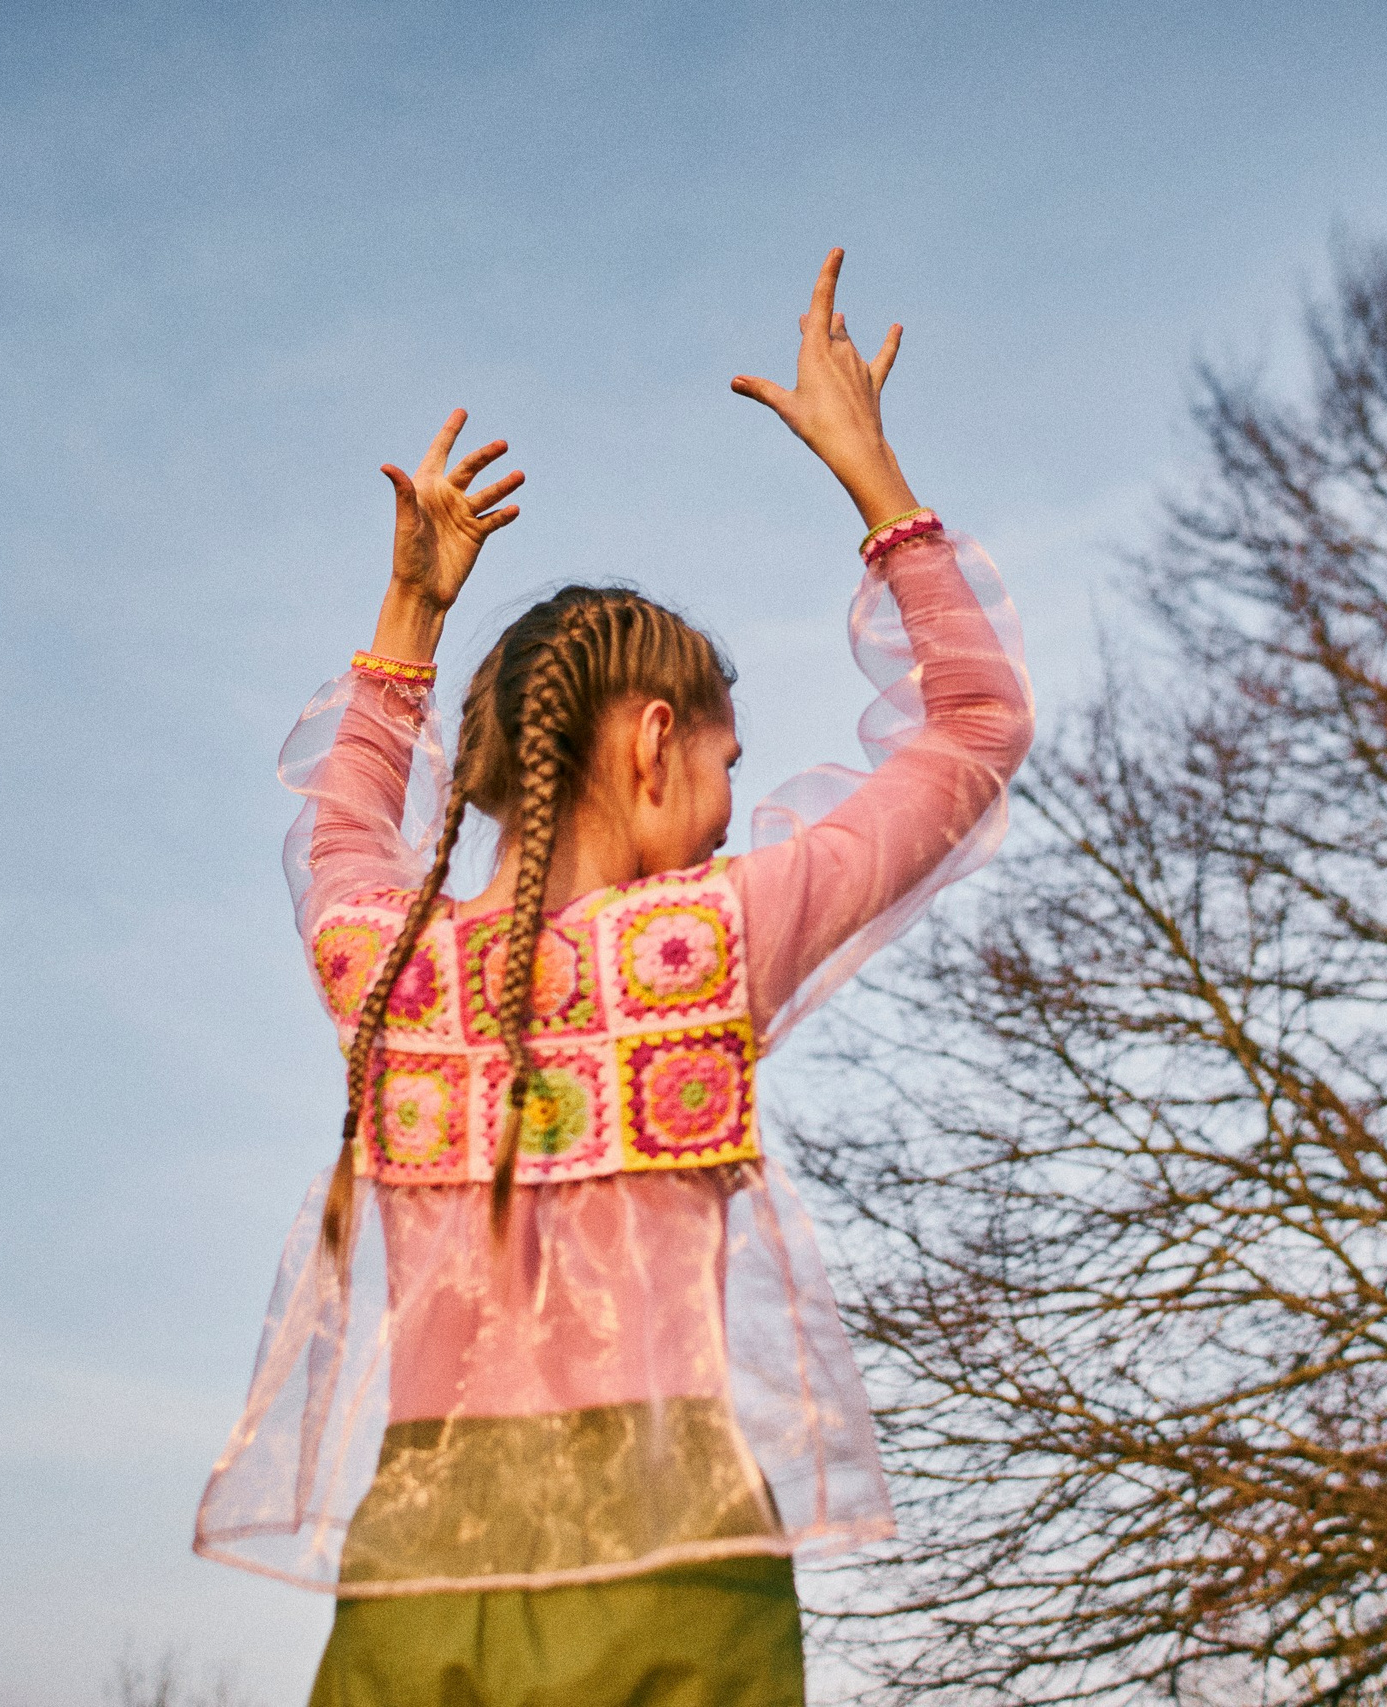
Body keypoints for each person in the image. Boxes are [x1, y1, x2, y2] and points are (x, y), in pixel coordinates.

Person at [194, 250, 1033, 1706]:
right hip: (670, 1566)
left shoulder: (395, 973)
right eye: (725, 765)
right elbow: (973, 728)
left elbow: (339, 831)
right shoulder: (703, 943)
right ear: (653, 742)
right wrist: (876, 479)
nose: (724, 804)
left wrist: (408, 618)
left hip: (419, 1574)